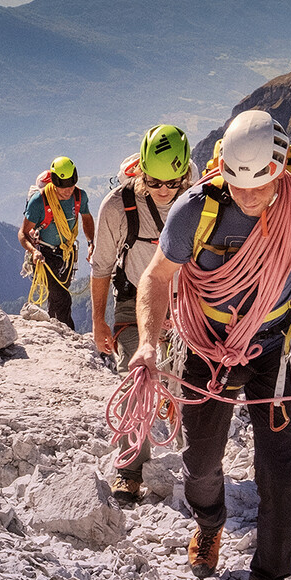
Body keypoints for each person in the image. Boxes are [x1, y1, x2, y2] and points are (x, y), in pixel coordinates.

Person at [130, 109, 291, 580]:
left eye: (261, 187)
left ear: (283, 171)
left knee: (279, 476)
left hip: (277, 346)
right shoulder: (195, 210)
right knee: (202, 461)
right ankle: (209, 523)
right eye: (238, 184)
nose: (249, 198)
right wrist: (146, 343)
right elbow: (158, 276)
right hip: (207, 340)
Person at [89, 125, 192, 506]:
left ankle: (196, 469)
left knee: (187, 386)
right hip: (135, 302)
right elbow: (100, 268)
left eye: (173, 181)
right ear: (141, 171)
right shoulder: (117, 207)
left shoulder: (202, 199)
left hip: (187, 305)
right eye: (154, 181)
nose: (165, 189)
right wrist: (99, 321)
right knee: (137, 379)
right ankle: (130, 471)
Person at [19, 156, 94, 329]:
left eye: (71, 186)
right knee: (61, 295)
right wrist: (33, 251)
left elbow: (87, 219)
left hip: (67, 252)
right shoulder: (39, 201)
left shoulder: (79, 196)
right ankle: (68, 333)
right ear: (53, 182)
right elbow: (23, 233)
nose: (68, 191)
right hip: (45, 254)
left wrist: (91, 243)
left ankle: (54, 328)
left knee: (58, 293)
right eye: (62, 188)